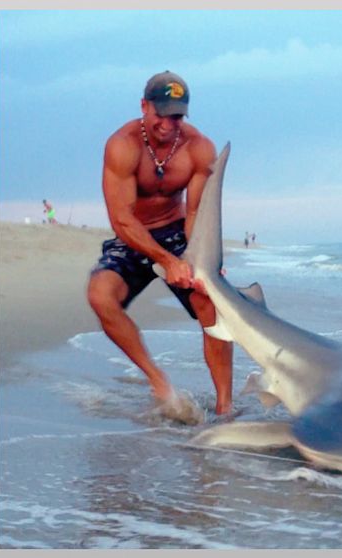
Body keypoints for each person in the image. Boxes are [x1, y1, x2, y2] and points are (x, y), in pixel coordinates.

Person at [86, 71, 233, 416]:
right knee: (100, 295)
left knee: (210, 301)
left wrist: (201, 259)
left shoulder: (199, 148)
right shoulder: (123, 145)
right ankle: (158, 382)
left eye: (176, 116)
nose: (168, 124)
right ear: (144, 106)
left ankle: (225, 407)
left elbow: (195, 211)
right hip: (133, 233)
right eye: (161, 113)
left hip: (176, 232)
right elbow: (121, 219)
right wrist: (167, 262)